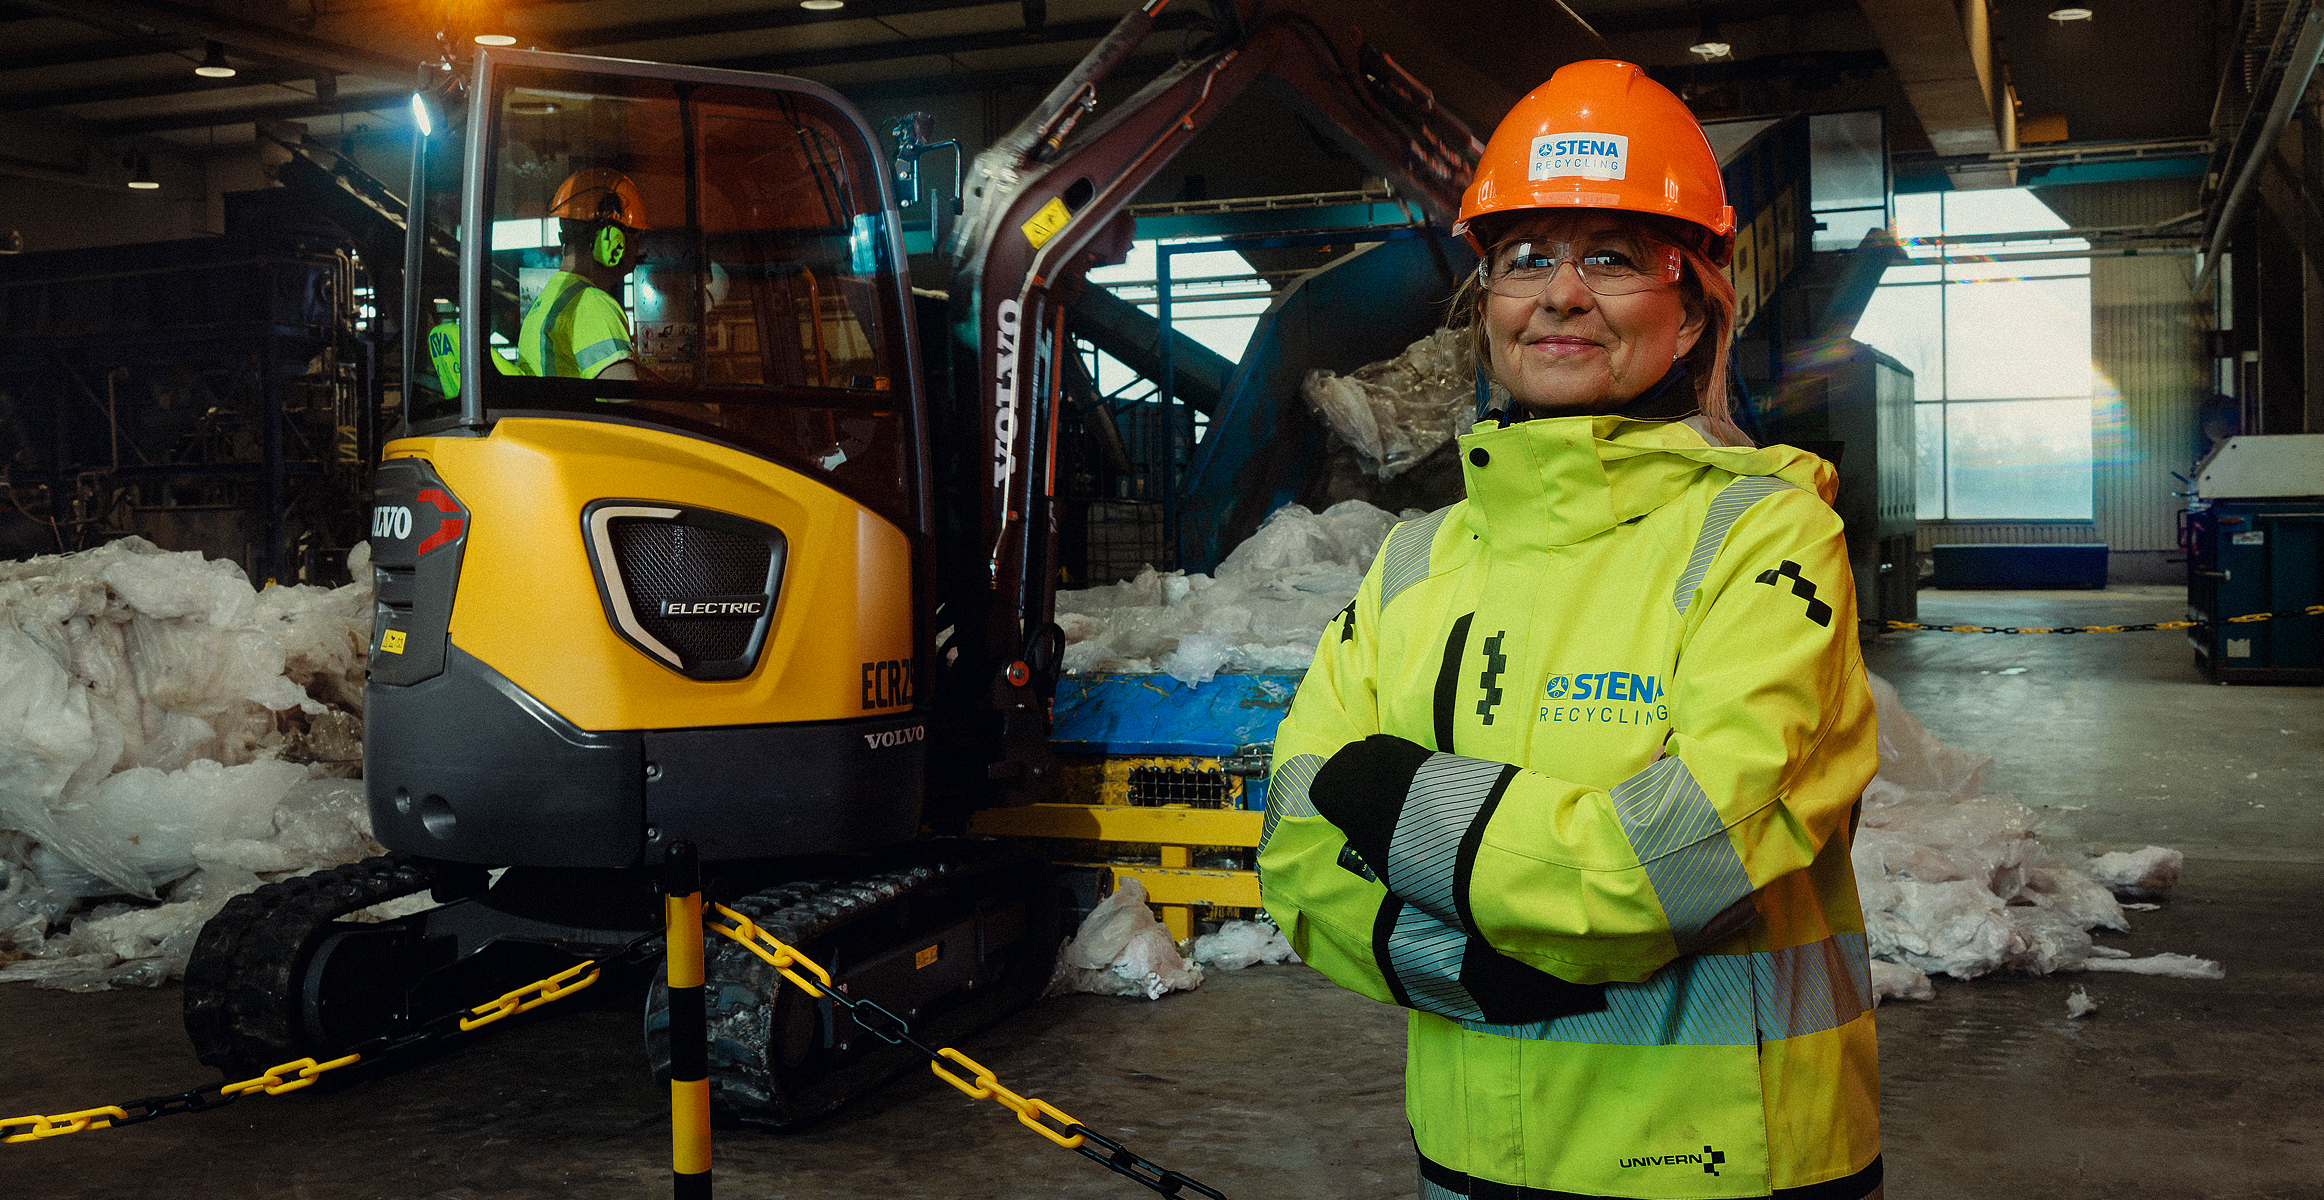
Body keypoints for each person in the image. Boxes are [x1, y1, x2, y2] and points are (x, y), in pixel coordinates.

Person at [1256, 59, 1884, 1200]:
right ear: (1483, 303)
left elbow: (1671, 865)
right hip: (1467, 1152)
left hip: (1720, 1162)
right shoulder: (1412, 561)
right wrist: (1475, 962)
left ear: (1692, 300)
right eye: (1524, 258)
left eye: (1609, 256)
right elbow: (1298, 848)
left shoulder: (1768, 540)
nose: (1558, 294)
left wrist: (1396, 795)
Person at [521, 168, 653, 380]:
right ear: (611, 238)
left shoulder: (545, 303)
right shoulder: (593, 306)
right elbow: (628, 404)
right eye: (635, 234)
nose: (639, 245)